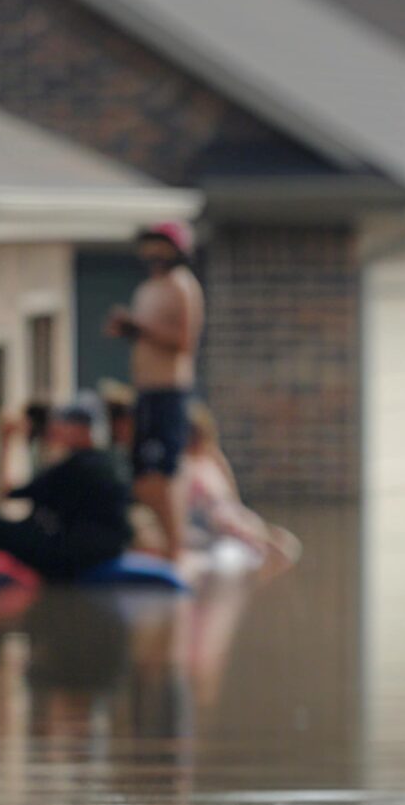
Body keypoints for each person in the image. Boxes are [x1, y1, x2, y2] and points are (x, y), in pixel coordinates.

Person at [104, 221, 205, 565]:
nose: (152, 254)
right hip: (145, 390)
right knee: (144, 473)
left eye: (160, 246)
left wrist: (139, 327)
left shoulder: (182, 286)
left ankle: (177, 549)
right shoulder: (148, 288)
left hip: (169, 391)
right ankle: (163, 544)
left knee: (165, 472)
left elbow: (184, 342)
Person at [0, 395, 134, 586]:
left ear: (81, 428)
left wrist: (7, 442)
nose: (58, 428)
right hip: (112, 547)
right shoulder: (115, 459)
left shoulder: (75, 466)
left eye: (65, 423)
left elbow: (7, 492)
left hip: (74, 555)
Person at [181, 401, 302, 579]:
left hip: (231, 522)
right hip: (215, 528)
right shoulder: (189, 469)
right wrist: (256, 537)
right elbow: (218, 515)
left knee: (285, 543)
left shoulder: (209, 462)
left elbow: (231, 503)